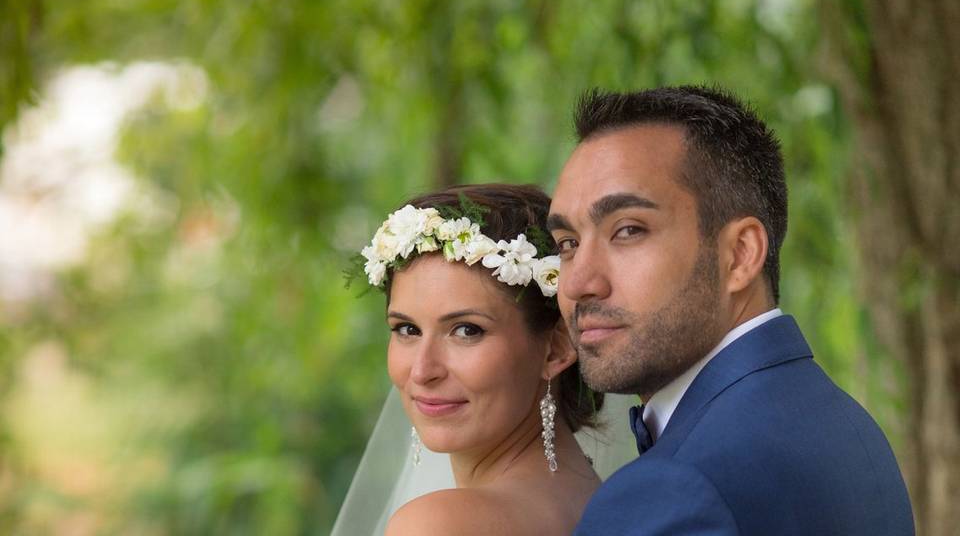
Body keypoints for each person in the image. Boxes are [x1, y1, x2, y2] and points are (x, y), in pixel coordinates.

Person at [547, 86, 915, 535]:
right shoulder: (849, 427)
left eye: (627, 231)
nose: (578, 283)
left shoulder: (671, 490)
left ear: (740, 255)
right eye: (567, 244)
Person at [332, 184, 635, 536]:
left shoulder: (439, 525)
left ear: (557, 348)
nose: (422, 370)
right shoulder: (595, 502)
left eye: (466, 331)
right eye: (407, 329)